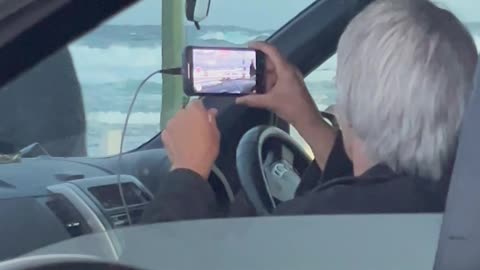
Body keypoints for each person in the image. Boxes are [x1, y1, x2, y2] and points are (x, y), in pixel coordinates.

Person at [142, 0, 478, 222]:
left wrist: (187, 173)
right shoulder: (457, 200)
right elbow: (378, 180)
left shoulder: (311, 226)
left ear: (353, 105)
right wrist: (307, 118)